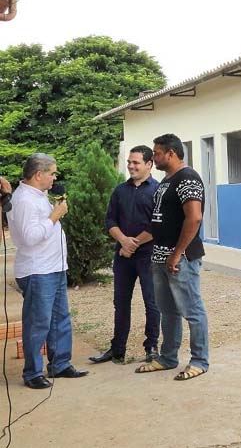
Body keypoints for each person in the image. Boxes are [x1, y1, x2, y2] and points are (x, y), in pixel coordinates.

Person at [7, 153, 88, 389]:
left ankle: (60, 364)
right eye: (52, 173)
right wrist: (55, 215)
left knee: (60, 318)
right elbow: (29, 238)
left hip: (53, 267)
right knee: (38, 323)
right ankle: (32, 373)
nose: (55, 178)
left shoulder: (38, 195)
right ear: (38, 174)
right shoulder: (25, 200)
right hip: (38, 270)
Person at [135, 134, 209, 380]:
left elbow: (194, 218)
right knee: (168, 310)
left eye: (157, 153)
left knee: (192, 309)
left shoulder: (187, 178)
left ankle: (199, 361)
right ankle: (168, 358)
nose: (153, 157)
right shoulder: (167, 180)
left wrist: (177, 254)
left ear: (171, 153)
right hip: (160, 257)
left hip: (181, 259)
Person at [89, 146, 161, 365]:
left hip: (148, 256)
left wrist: (132, 244)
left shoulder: (158, 191)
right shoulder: (120, 190)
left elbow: (158, 225)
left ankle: (151, 348)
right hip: (122, 256)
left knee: (152, 302)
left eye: (136, 162)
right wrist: (123, 241)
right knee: (120, 303)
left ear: (149, 164)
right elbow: (110, 220)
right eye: (129, 162)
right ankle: (117, 349)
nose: (131, 166)